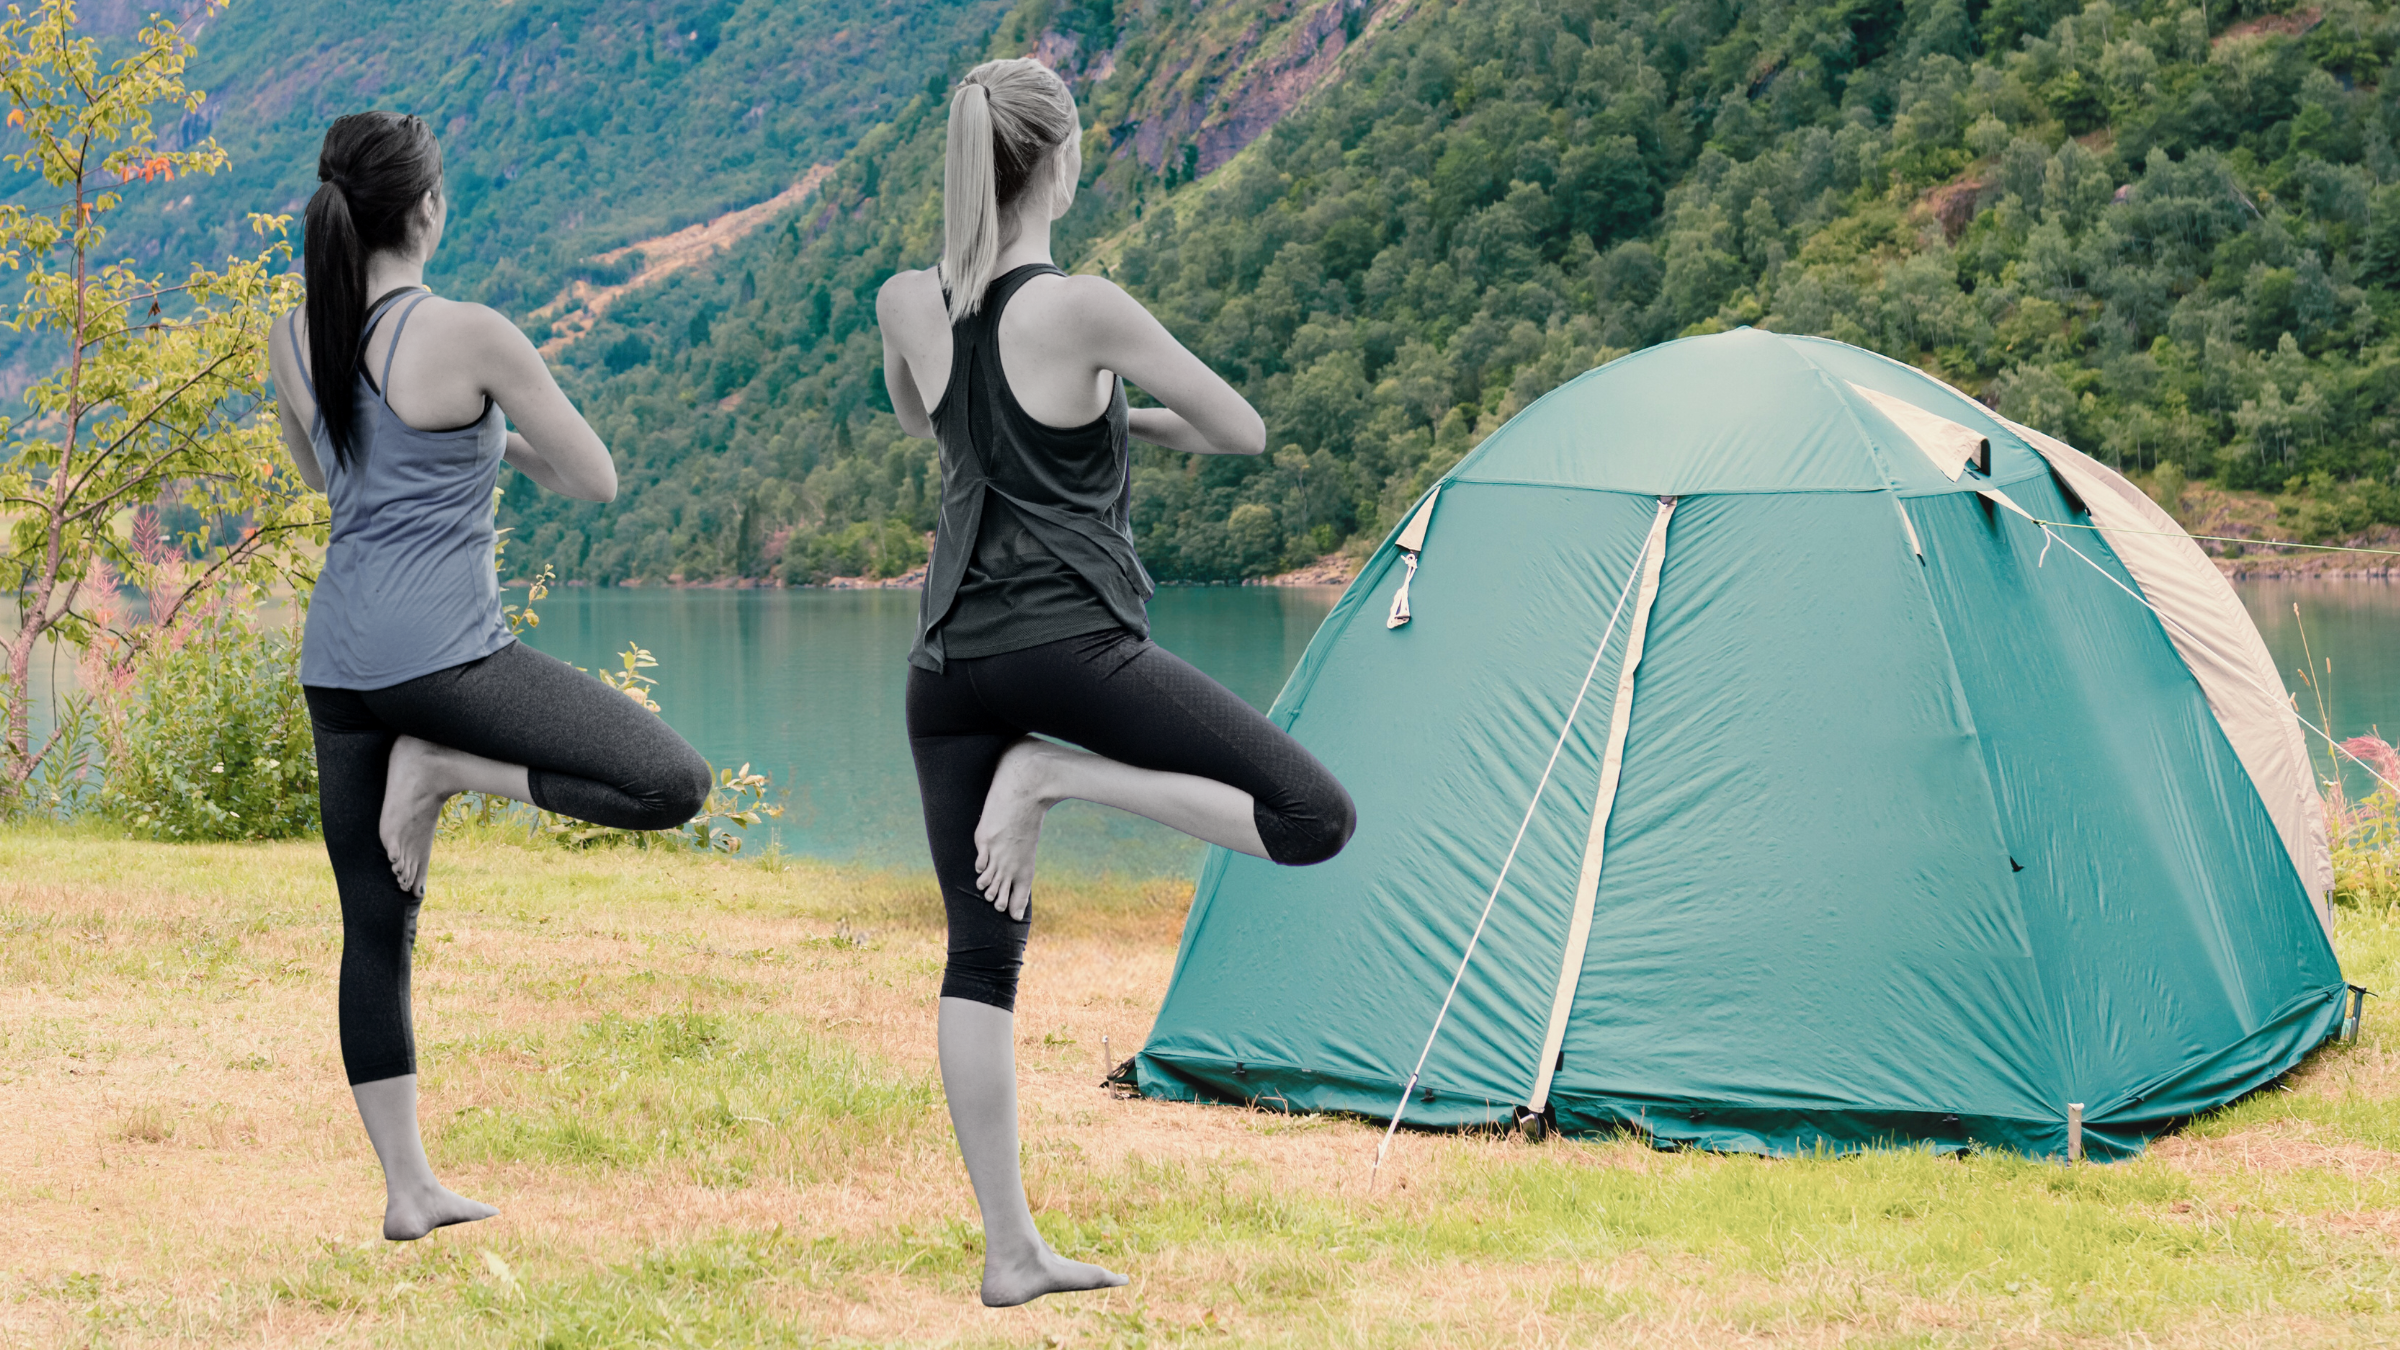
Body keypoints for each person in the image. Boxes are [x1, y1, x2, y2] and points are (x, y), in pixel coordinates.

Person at [876, 58, 1358, 1307]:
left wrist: (1095, 425)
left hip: (946, 666)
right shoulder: (1084, 309)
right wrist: (1121, 415)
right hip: (1069, 647)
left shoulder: (903, 303)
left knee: (980, 959)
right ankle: (1056, 778)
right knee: (1314, 819)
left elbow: (943, 427)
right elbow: (1237, 429)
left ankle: (1009, 1251)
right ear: (1064, 162)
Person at [267, 111, 714, 1241]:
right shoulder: (470, 336)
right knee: (670, 784)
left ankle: (408, 1190)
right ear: (426, 209)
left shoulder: (294, 336)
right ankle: (448, 769)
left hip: (340, 670)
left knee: (375, 927)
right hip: (447, 662)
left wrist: (470, 442)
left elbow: (336, 475)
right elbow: (594, 479)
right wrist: (496, 435)